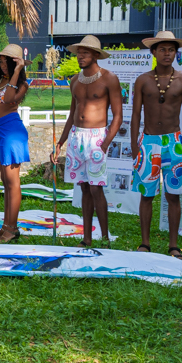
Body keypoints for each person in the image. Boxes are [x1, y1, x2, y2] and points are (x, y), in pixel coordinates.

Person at [52, 35, 122, 248]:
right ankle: (87, 237)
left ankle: (105, 237)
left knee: (95, 188)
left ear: (96, 55)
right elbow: (72, 114)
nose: (80, 56)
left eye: (85, 53)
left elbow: (118, 115)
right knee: (82, 187)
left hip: (97, 138)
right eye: (79, 53)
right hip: (76, 136)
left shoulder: (109, 79)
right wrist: (60, 143)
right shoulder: (75, 80)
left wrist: (105, 142)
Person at [131, 31, 182, 258]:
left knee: (173, 194)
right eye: (162, 49)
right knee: (146, 194)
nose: (167, 53)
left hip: (174, 142)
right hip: (148, 142)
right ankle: (145, 243)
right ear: (154, 52)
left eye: (171, 49)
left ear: (176, 53)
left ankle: (173, 245)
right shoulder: (143, 80)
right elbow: (136, 114)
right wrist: (134, 143)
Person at [0, 44, 31, 242]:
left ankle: (12, 228)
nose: (3, 65)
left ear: (17, 64)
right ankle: (7, 226)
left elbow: (10, 98)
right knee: (6, 182)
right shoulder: (1, 80)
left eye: (8, 62)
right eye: (2, 62)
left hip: (12, 132)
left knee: (13, 183)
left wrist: (19, 70)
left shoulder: (22, 84)